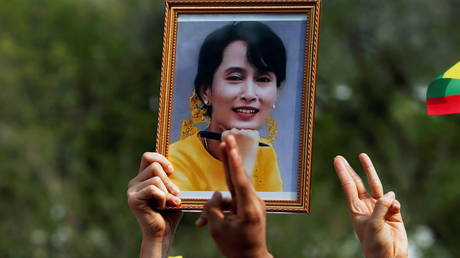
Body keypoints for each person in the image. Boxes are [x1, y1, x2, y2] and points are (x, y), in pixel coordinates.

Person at [127, 148, 409, 257]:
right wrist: (156, 240)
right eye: (235, 77)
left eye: (263, 78)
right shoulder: (182, 155)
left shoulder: (270, 157)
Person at [168, 21, 287, 192]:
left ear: (277, 92)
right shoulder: (175, 160)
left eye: (263, 79)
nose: (250, 94)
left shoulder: (265, 154)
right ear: (205, 91)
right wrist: (242, 168)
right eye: (236, 77)